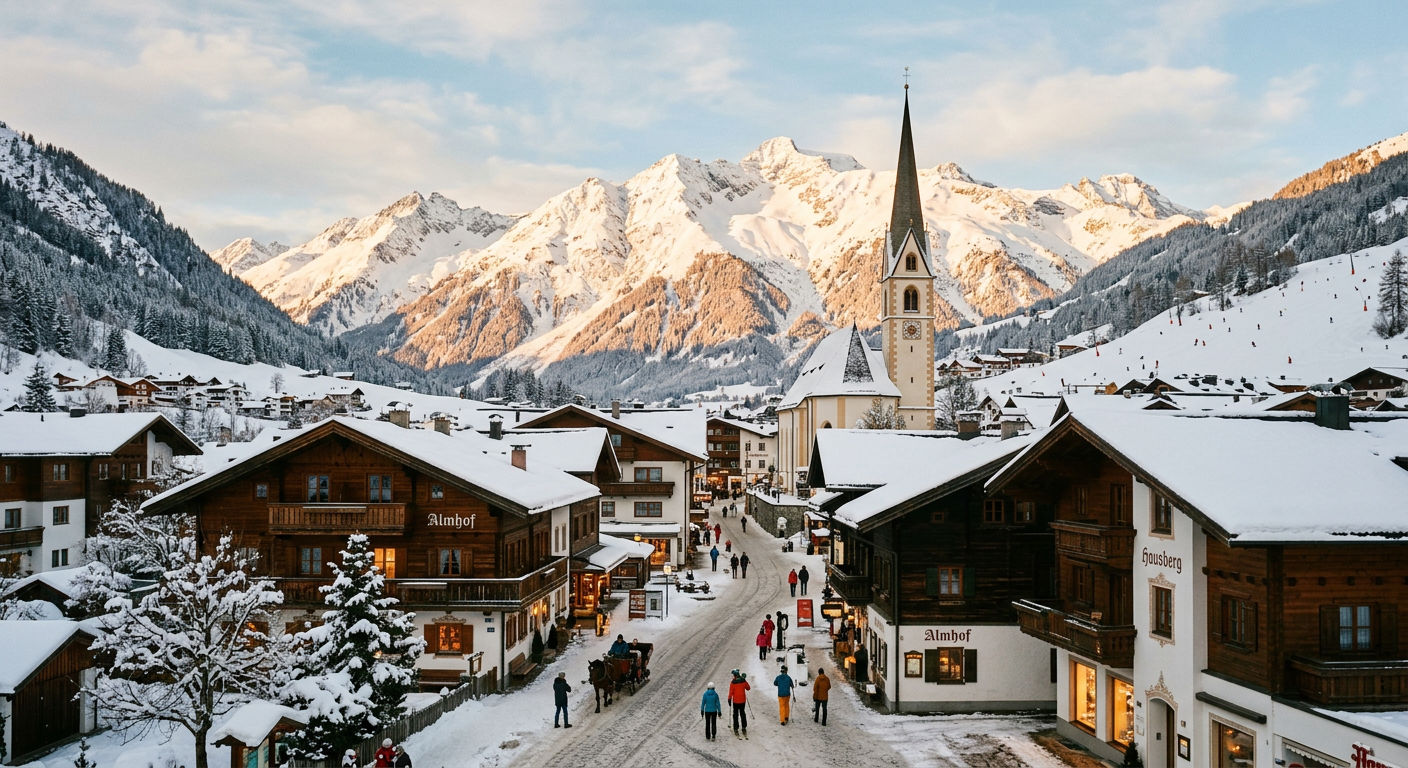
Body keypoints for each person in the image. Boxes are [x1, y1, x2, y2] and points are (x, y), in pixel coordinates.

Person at [727, 670, 750, 736]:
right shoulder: (743, 680)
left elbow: (730, 692)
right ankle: (743, 727)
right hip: (743, 701)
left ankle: (736, 728)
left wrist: (729, 699)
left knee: (735, 715)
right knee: (742, 713)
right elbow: (748, 688)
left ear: (734, 675)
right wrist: (744, 680)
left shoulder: (733, 682)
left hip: (736, 702)